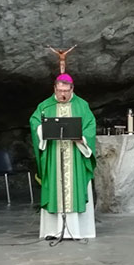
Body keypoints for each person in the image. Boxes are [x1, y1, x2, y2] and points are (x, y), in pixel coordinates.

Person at [29, 73, 96, 239]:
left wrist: (82, 138)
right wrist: (42, 129)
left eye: (66, 91)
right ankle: (53, 230)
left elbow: (90, 126)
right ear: (54, 89)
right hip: (54, 155)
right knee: (55, 188)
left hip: (75, 155)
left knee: (74, 189)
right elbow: (34, 122)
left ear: (72, 89)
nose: (62, 95)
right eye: (59, 91)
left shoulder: (82, 105)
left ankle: (77, 230)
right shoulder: (45, 106)